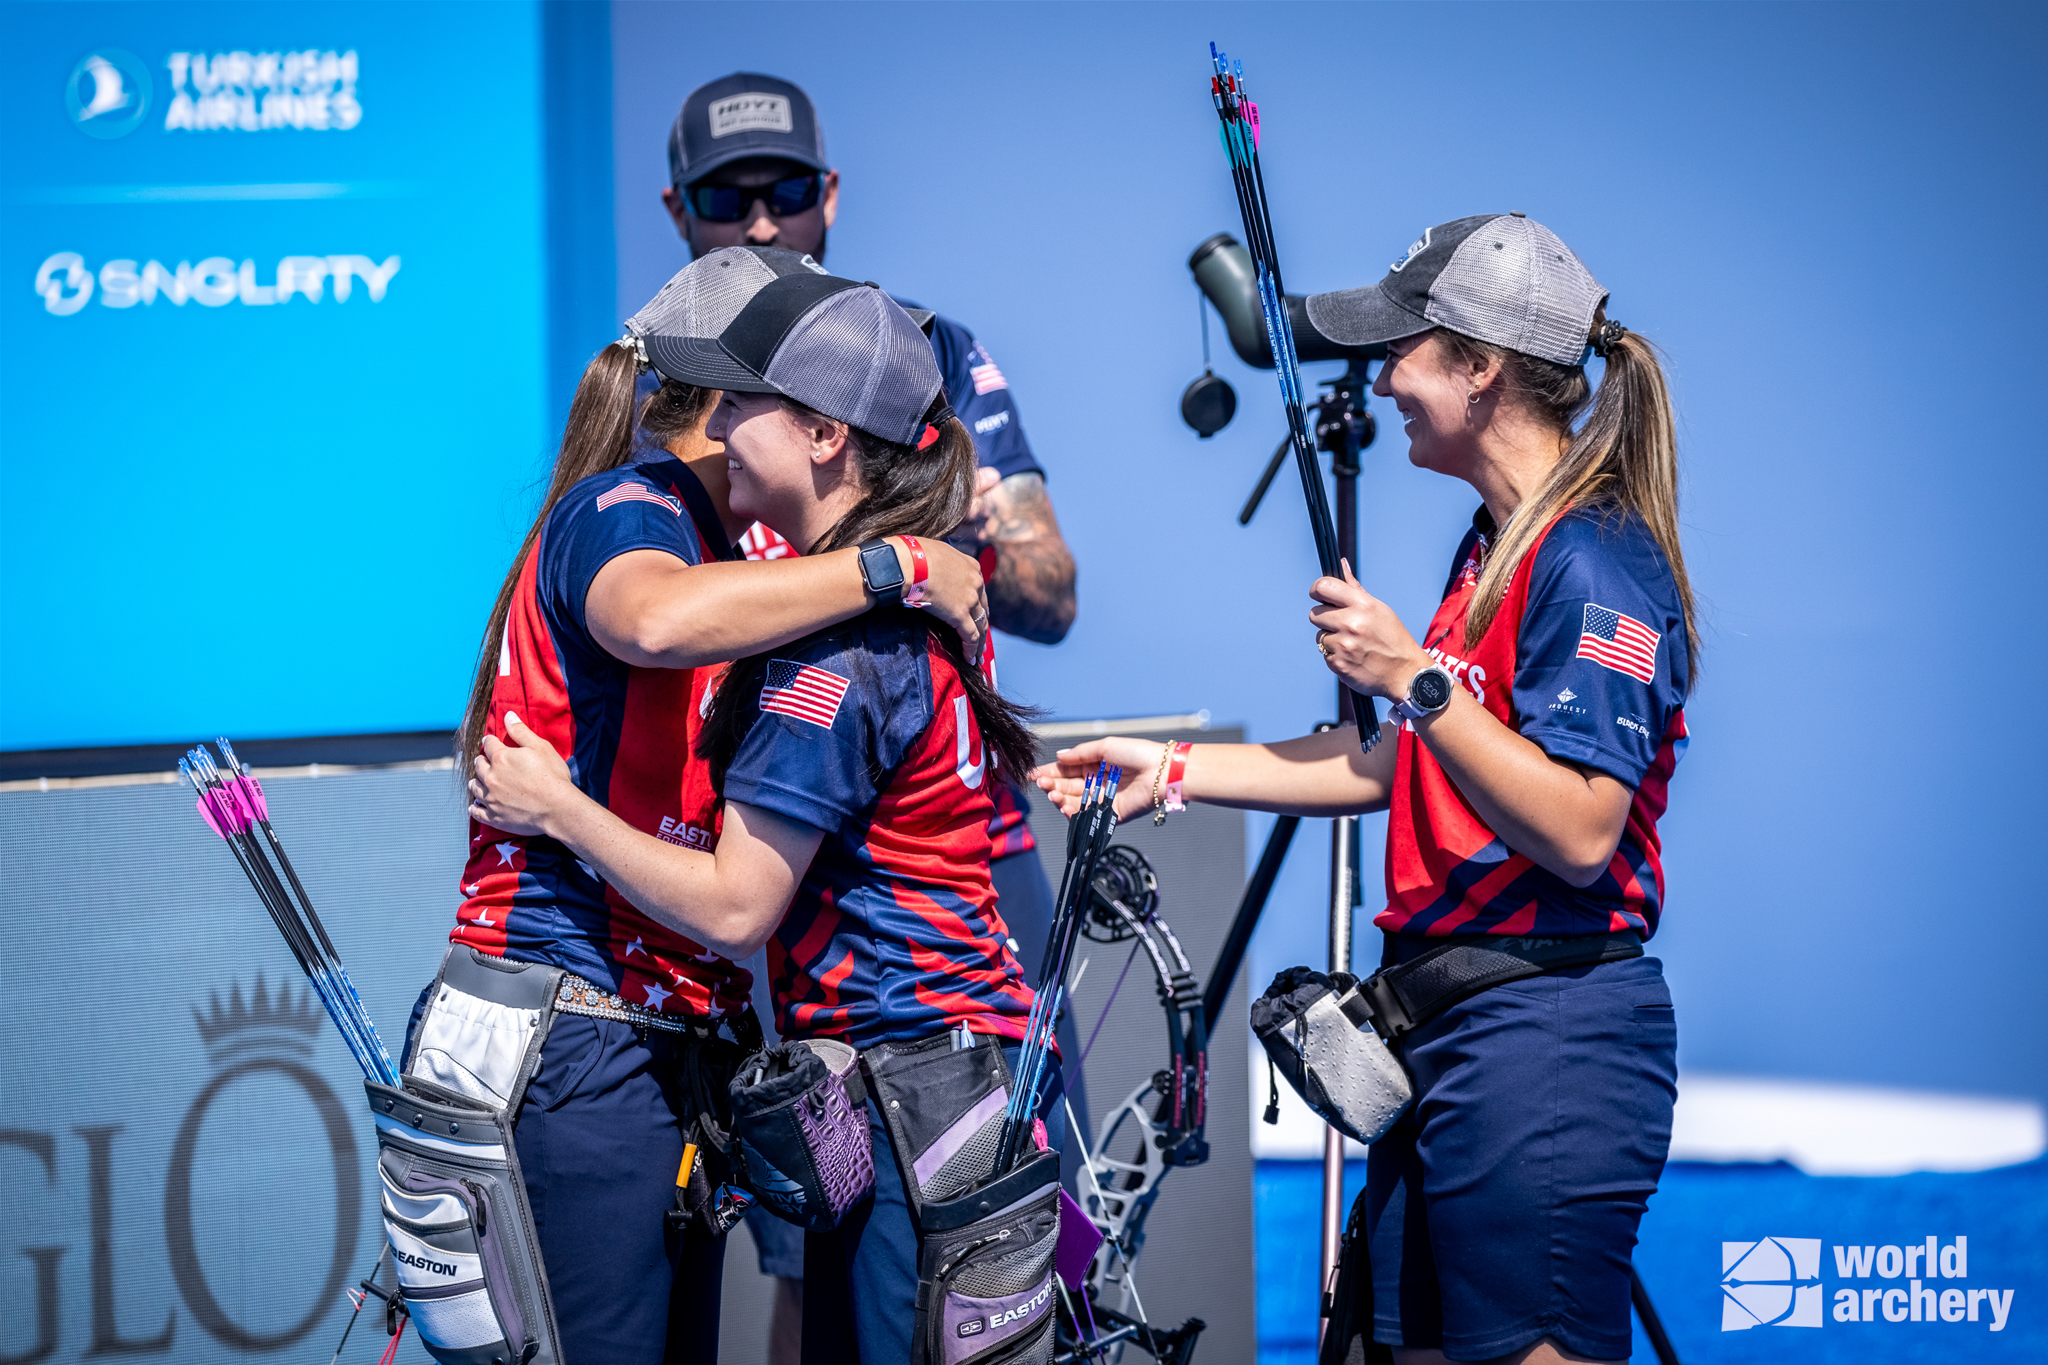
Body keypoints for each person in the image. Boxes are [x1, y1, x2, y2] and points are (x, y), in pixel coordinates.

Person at [1036, 215, 1692, 1365]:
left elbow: (1583, 830)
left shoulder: (1591, 559)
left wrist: (1415, 679)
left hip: (1543, 1039)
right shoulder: (1486, 545)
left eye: (1404, 351)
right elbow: (1396, 763)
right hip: (1443, 1035)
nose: (1380, 379)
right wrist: (1171, 772)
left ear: (1479, 369)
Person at [410, 248, 993, 1365]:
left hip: (660, 1042)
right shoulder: (631, 506)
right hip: (573, 1031)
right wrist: (899, 565)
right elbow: (652, 624)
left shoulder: (733, 549)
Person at [653, 70, 1087, 1331]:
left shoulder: (919, 351)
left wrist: (930, 557)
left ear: (828, 195)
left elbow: (1050, 587)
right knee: (813, 1262)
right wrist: (883, 565)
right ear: (676, 210)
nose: (759, 222)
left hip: (920, 878)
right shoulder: (659, 376)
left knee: (985, 1257)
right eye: (725, 198)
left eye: (785, 191)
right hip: (748, 854)